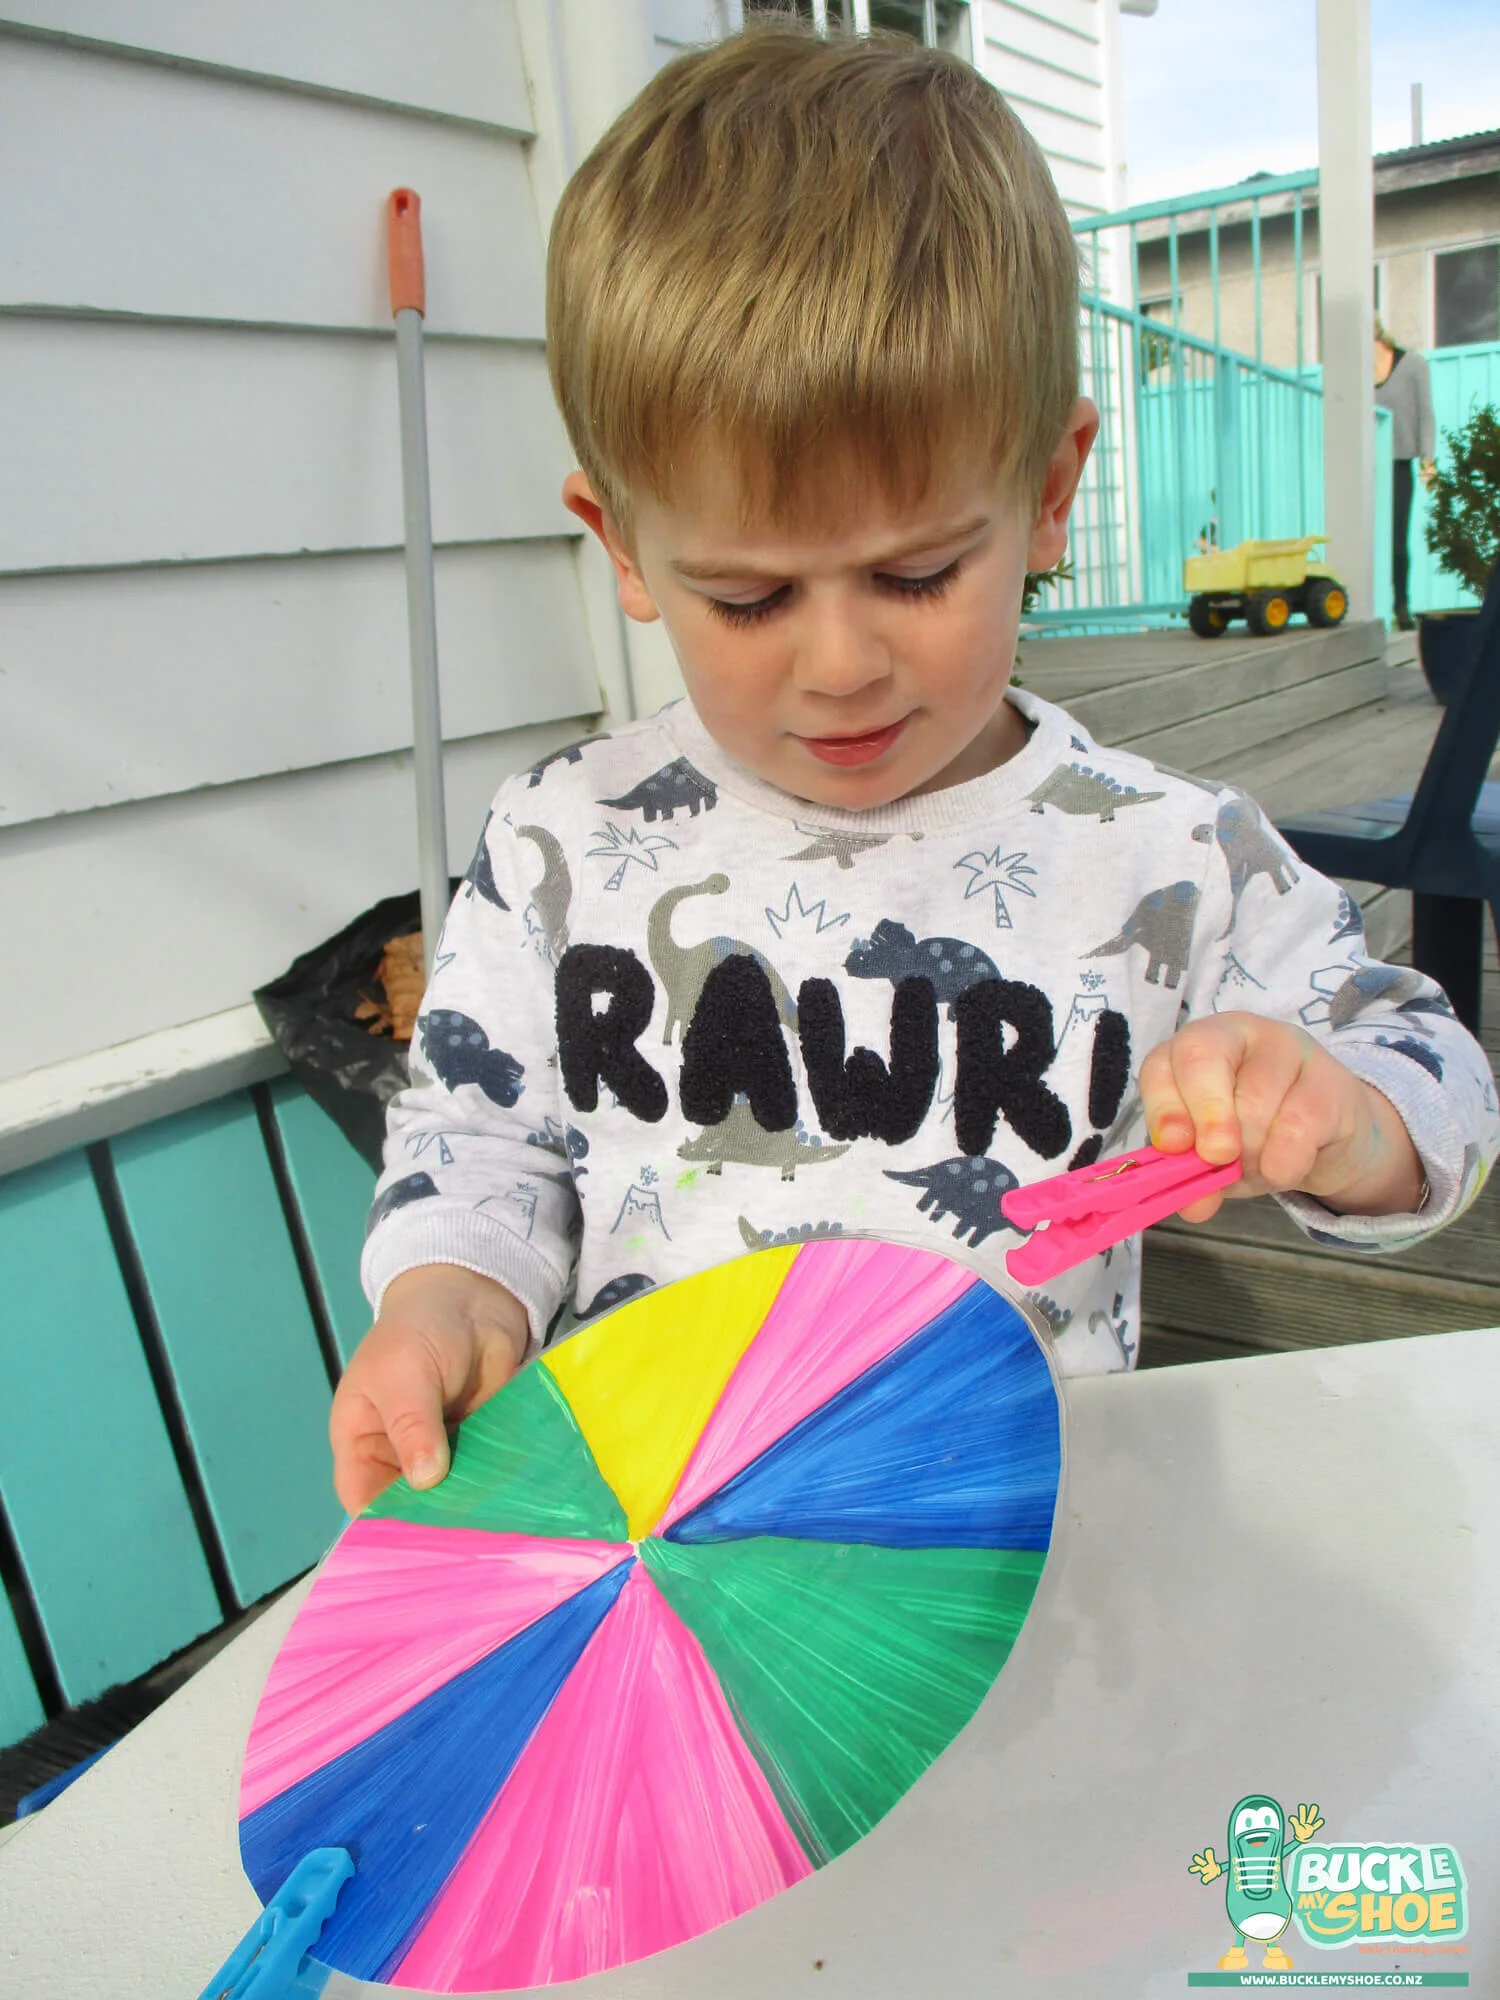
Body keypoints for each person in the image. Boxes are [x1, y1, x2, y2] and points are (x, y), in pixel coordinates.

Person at [330, 24, 1499, 1514]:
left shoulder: (1161, 856)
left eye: (919, 572)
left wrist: (1349, 1118)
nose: (838, 663)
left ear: (1049, 490)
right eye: (749, 598)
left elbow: (1437, 1072)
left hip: (1022, 1558)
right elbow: (474, 1136)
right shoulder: (568, 843)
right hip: (661, 1560)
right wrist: (449, 1295)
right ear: (623, 544)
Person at [1374, 323, 1437, 631]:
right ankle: (1370, 606)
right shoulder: (1356, 370)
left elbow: (1426, 412)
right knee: (1368, 538)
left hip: (1399, 464)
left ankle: (1401, 605)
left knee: (1397, 539)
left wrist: (1428, 458)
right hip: (1366, 467)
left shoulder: (1412, 363)